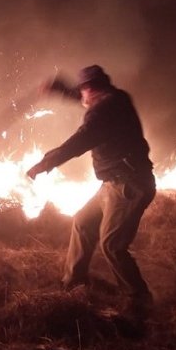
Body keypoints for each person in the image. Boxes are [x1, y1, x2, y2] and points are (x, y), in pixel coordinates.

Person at [26, 65, 156, 318]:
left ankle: (139, 300)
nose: (81, 98)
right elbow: (81, 96)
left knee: (112, 244)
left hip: (129, 185)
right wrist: (61, 89)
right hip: (111, 184)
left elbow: (80, 141)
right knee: (83, 223)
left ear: (91, 89)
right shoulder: (113, 97)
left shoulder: (104, 110)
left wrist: (46, 163)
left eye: (82, 91)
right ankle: (74, 283)